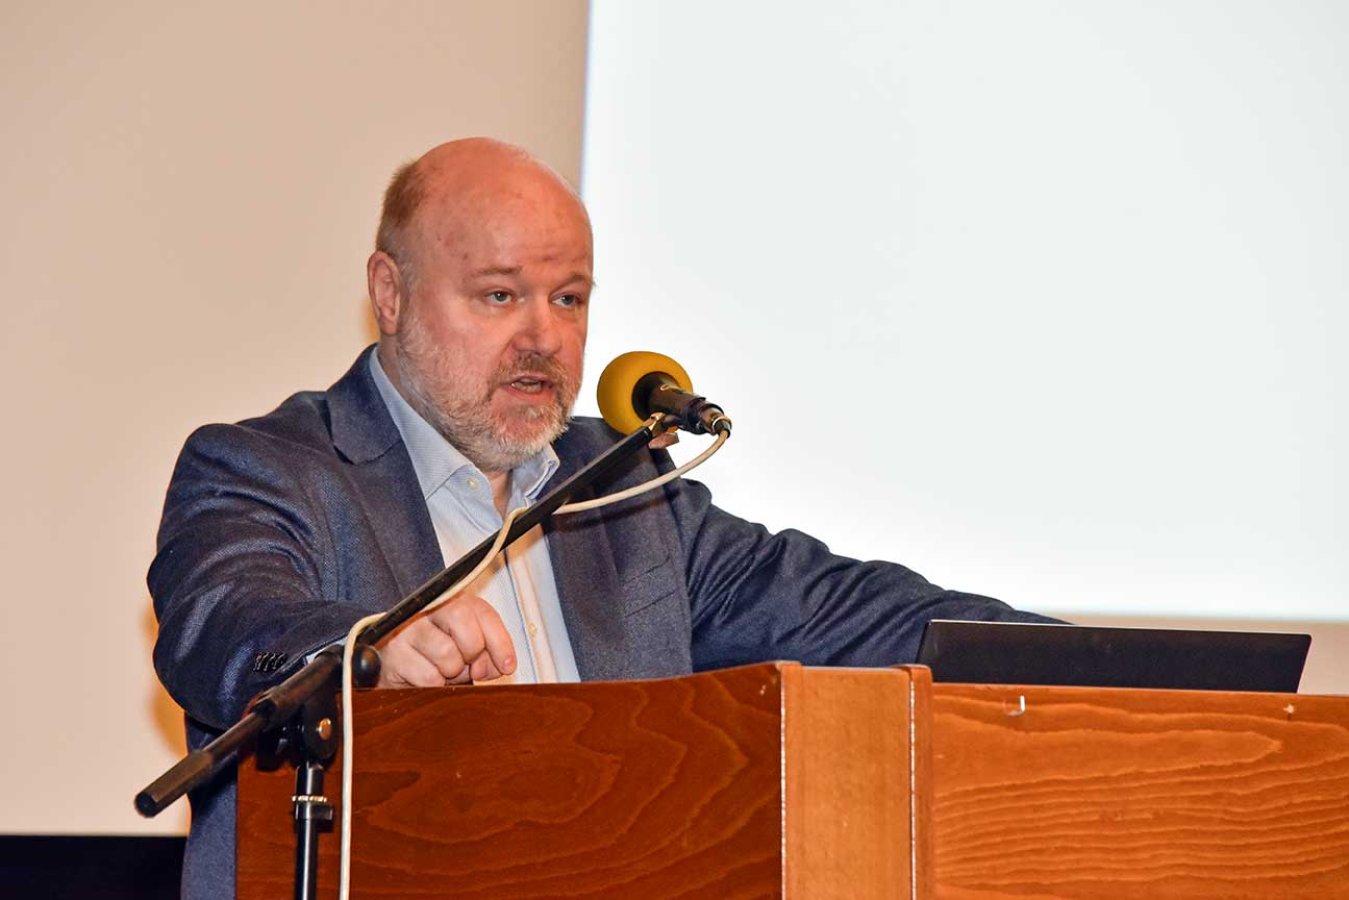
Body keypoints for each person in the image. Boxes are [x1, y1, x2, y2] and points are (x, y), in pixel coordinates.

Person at [150, 138, 1055, 900]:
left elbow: (848, 613)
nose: (544, 338)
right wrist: (365, 647)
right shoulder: (269, 467)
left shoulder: (621, 490)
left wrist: (1084, 656)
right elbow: (224, 628)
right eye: (500, 295)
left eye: (569, 298)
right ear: (390, 294)